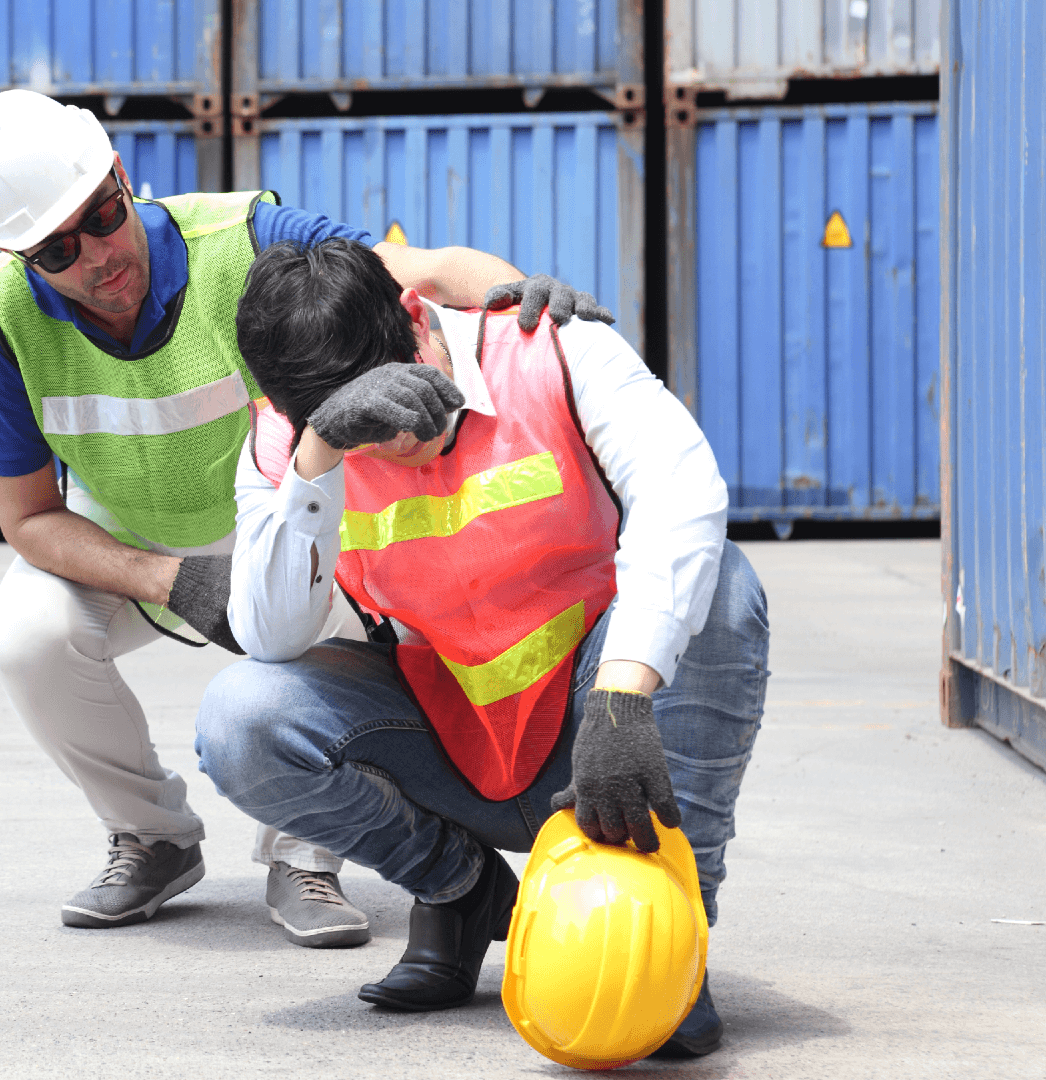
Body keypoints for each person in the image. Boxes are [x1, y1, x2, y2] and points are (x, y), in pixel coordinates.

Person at [0, 89, 613, 947]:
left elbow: (425, 274)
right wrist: (172, 579)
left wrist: (521, 300)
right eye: (56, 249)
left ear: (122, 176)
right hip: (129, 537)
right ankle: (149, 835)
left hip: (271, 508)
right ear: (18, 256)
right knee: (24, 638)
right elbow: (31, 518)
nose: (97, 257)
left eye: (104, 215)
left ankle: (305, 850)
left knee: (329, 608)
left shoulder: (246, 236)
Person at [194, 237, 768, 1057]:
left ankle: (673, 935)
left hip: (606, 736)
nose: (392, 445)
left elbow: (683, 490)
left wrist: (623, 691)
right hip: (452, 740)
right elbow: (270, 633)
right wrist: (320, 455)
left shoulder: (553, 350)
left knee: (722, 589)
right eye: (366, 431)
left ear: (418, 320)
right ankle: (460, 891)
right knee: (243, 716)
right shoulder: (290, 441)